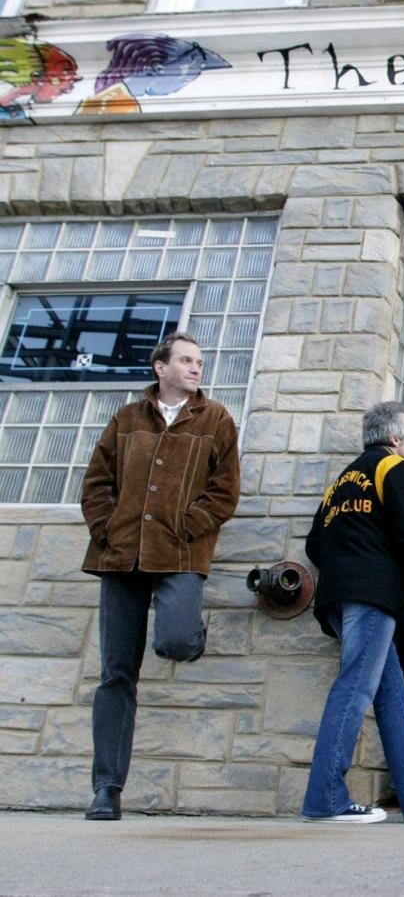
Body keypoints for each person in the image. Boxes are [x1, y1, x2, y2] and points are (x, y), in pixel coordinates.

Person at [80, 331, 240, 822]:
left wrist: (187, 527)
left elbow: (225, 491)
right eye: (187, 360)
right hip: (121, 557)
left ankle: (190, 634)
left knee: (173, 640)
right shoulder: (127, 419)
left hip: (181, 554)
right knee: (117, 674)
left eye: (199, 362)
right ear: (160, 367)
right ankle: (107, 788)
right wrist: (106, 529)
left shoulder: (216, 420)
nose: (196, 368)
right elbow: (95, 483)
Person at [302, 402, 404, 824]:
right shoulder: (394, 468)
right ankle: (325, 799)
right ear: (394, 440)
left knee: (391, 696)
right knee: (354, 689)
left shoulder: (343, 479)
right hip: (372, 598)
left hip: (339, 599)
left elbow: (313, 545)